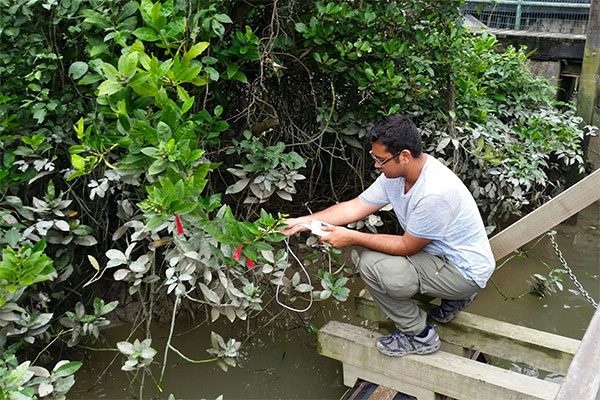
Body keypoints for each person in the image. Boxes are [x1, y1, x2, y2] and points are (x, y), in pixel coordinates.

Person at [282, 113, 495, 357]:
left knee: (372, 265)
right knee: (388, 267)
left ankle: (419, 336)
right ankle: (454, 299)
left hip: (464, 271)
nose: (376, 165)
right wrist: (303, 221)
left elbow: (406, 246)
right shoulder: (397, 175)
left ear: (404, 155)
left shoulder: (434, 193)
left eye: (380, 159)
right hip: (448, 259)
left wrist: (351, 237)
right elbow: (355, 206)